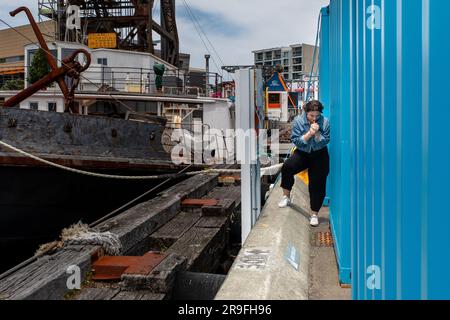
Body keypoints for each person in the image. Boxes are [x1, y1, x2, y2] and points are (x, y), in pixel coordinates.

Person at [278, 100, 330, 227]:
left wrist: (317, 133)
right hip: (303, 152)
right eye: (312, 115)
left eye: (317, 115)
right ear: (306, 112)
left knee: (317, 183)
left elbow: (326, 141)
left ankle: (314, 214)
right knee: (287, 167)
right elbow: (296, 141)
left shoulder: (325, 122)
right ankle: (286, 196)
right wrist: (309, 134)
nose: (314, 118)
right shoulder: (298, 121)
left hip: (319, 153)